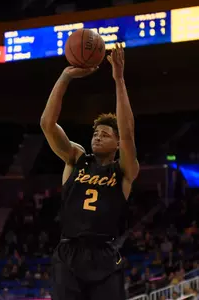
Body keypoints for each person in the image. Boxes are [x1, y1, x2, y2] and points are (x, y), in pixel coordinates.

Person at [40, 43, 139, 300]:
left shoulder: (124, 170)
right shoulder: (76, 158)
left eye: (105, 134)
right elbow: (47, 124)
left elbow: (128, 133)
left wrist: (118, 79)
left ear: (117, 144)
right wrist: (65, 77)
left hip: (104, 254)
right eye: (95, 133)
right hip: (69, 253)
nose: (97, 137)